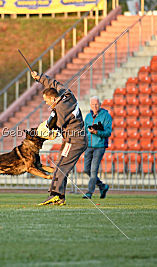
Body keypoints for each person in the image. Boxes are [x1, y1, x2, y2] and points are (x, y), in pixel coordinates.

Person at [32, 71, 87, 206]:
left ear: (52, 99)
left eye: (46, 101)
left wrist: (45, 131)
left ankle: (56, 195)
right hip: (75, 139)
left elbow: (54, 128)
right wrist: (40, 78)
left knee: (61, 166)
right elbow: (53, 83)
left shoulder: (60, 109)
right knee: (61, 165)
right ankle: (60, 197)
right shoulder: (67, 95)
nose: (46, 103)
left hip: (74, 140)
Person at [82, 96, 112, 199]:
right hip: (88, 146)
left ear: (100, 104)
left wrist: (97, 132)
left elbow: (108, 132)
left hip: (99, 146)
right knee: (86, 169)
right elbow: (84, 131)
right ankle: (102, 186)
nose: (95, 106)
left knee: (93, 170)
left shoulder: (106, 116)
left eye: (96, 104)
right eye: (93, 104)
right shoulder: (87, 117)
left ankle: (89, 192)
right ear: (90, 105)